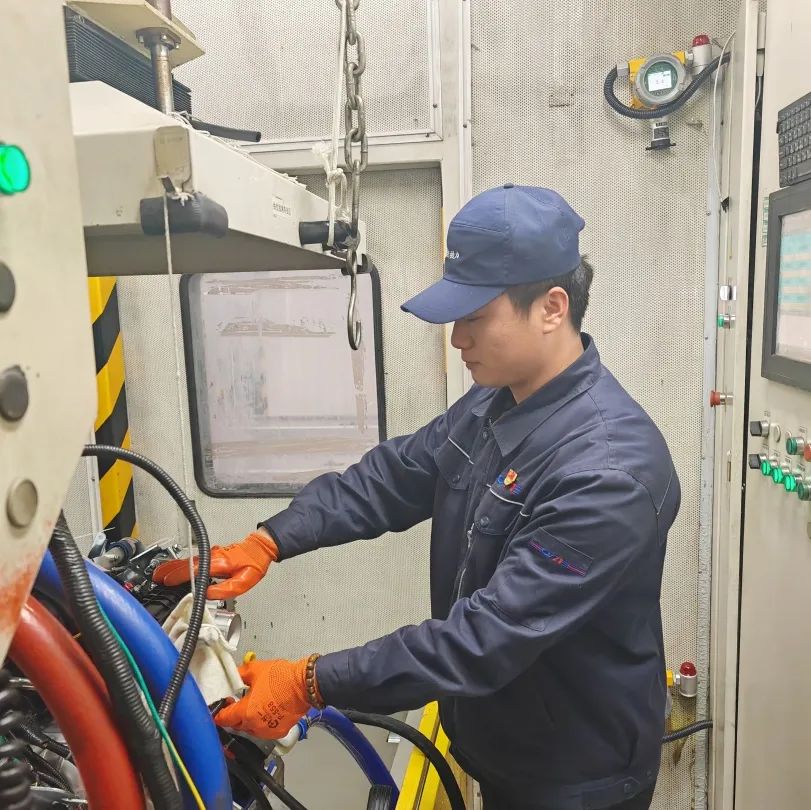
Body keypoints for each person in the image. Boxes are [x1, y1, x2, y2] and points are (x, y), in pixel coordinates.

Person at [154, 185, 680, 810]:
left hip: (574, 776)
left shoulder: (608, 472)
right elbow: (394, 476)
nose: (457, 340)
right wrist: (270, 541)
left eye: (474, 317)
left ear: (551, 307)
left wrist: (310, 682)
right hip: (504, 743)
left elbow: (483, 639)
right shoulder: (494, 403)